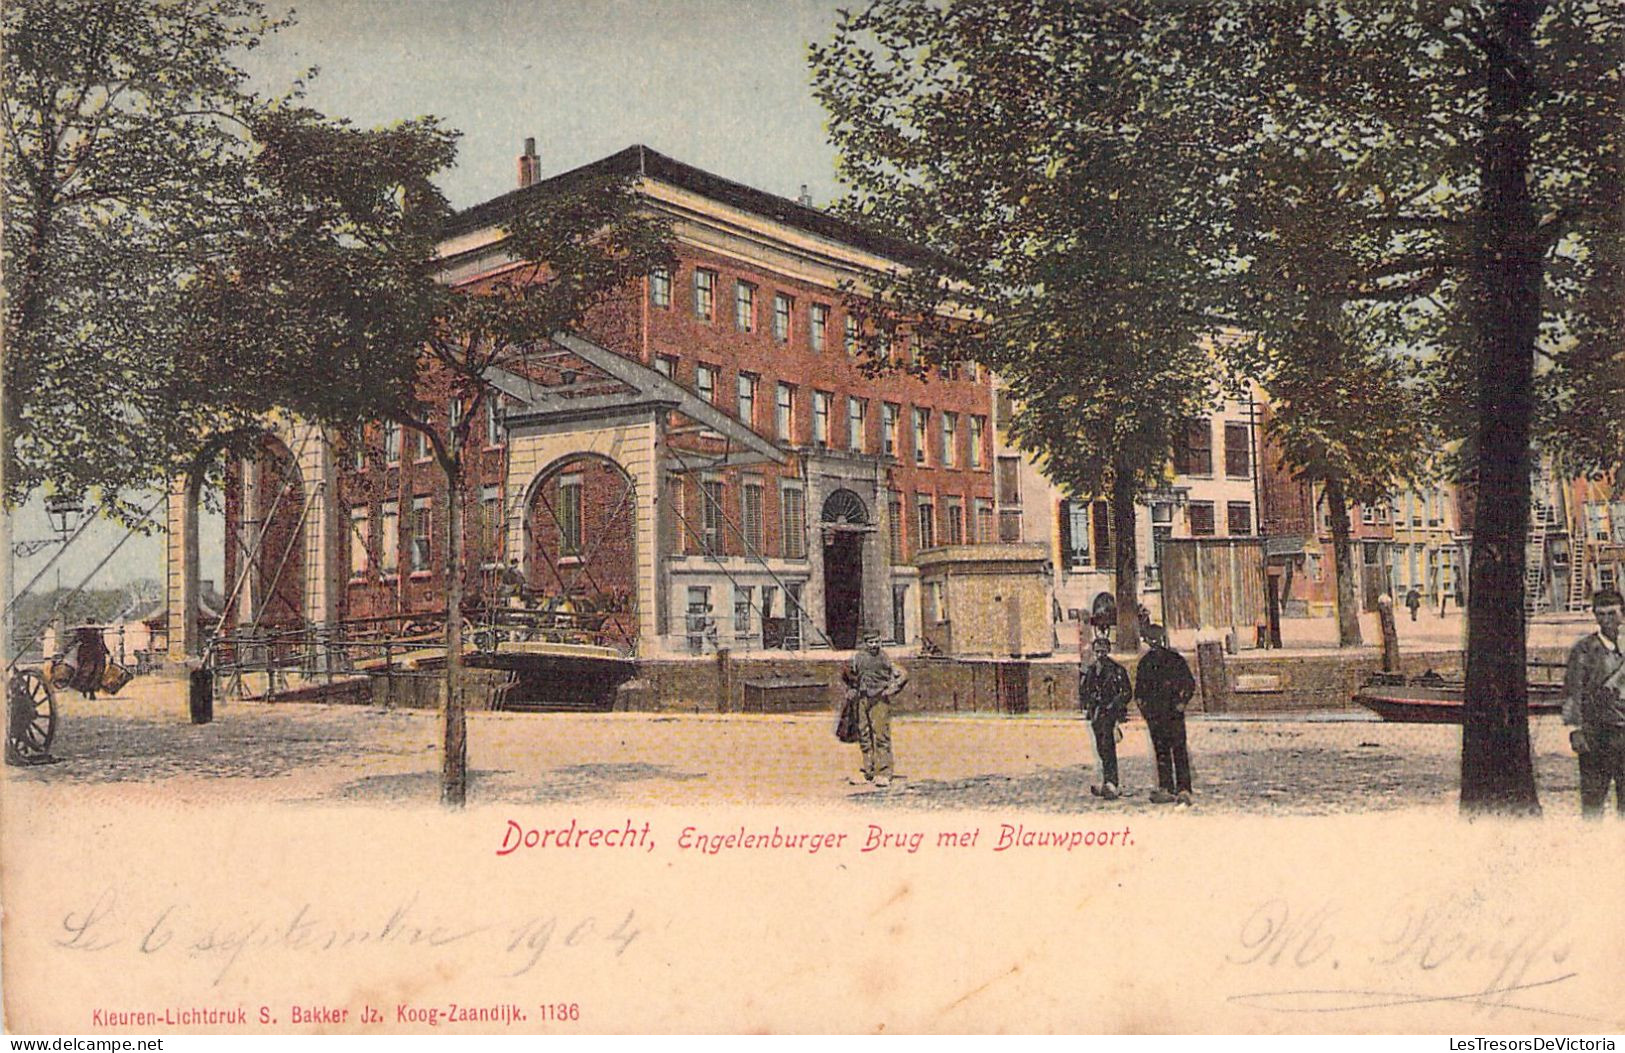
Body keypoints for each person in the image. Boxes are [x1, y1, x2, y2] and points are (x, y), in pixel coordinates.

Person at [1563, 588, 1625, 818]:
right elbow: (1572, 691)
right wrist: (1575, 730)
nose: (1607, 620)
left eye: (1612, 614)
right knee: (1593, 800)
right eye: (1601, 615)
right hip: (1596, 734)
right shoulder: (1585, 649)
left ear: (1623, 614)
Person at [1134, 630, 1196, 805]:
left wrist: (1182, 702)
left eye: (1156, 640)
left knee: (1179, 750)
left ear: (1163, 639)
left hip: (1173, 713)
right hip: (1155, 715)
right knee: (1161, 752)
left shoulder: (1176, 660)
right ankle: (1166, 787)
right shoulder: (1145, 663)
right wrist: (1145, 711)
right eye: (1150, 640)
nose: (1154, 644)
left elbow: (1189, 684)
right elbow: (1139, 691)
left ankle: (1184, 788)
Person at [843, 631, 908, 788]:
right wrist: (851, 688)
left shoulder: (885, 658)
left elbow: (903, 675)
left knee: (881, 735)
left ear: (880, 642)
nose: (873, 645)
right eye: (870, 642)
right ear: (865, 643)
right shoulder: (858, 657)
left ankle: (884, 772)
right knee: (864, 735)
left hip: (879, 699)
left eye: (876, 642)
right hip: (862, 699)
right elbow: (849, 674)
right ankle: (869, 770)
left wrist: (892, 689)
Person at [1079, 634, 1131, 800]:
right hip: (1096, 714)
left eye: (1103, 651)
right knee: (1101, 748)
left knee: (1108, 747)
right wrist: (1090, 702)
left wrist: (1114, 704)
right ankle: (1107, 780)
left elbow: (1126, 692)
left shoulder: (1117, 670)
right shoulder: (1092, 670)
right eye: (1097, 652)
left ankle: (1112, 782)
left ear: (1108, 651)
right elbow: (1084, 691)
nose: (1100, 654)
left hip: (1110, 713)